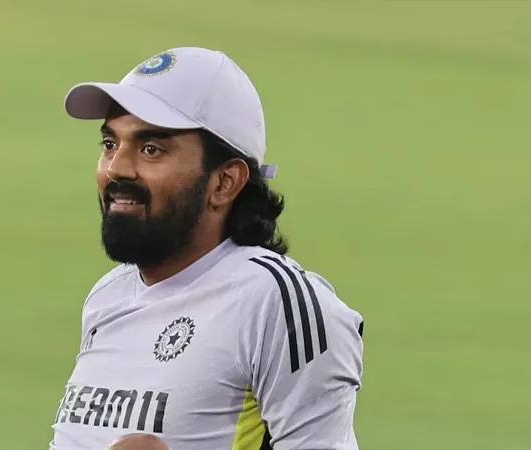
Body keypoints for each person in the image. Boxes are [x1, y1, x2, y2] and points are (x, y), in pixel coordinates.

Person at [49, 47, 365, 450]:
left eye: (150, 149)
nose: (116, 168)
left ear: (224, 182)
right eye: (110, 144)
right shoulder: (108, 296)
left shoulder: (275, 303)